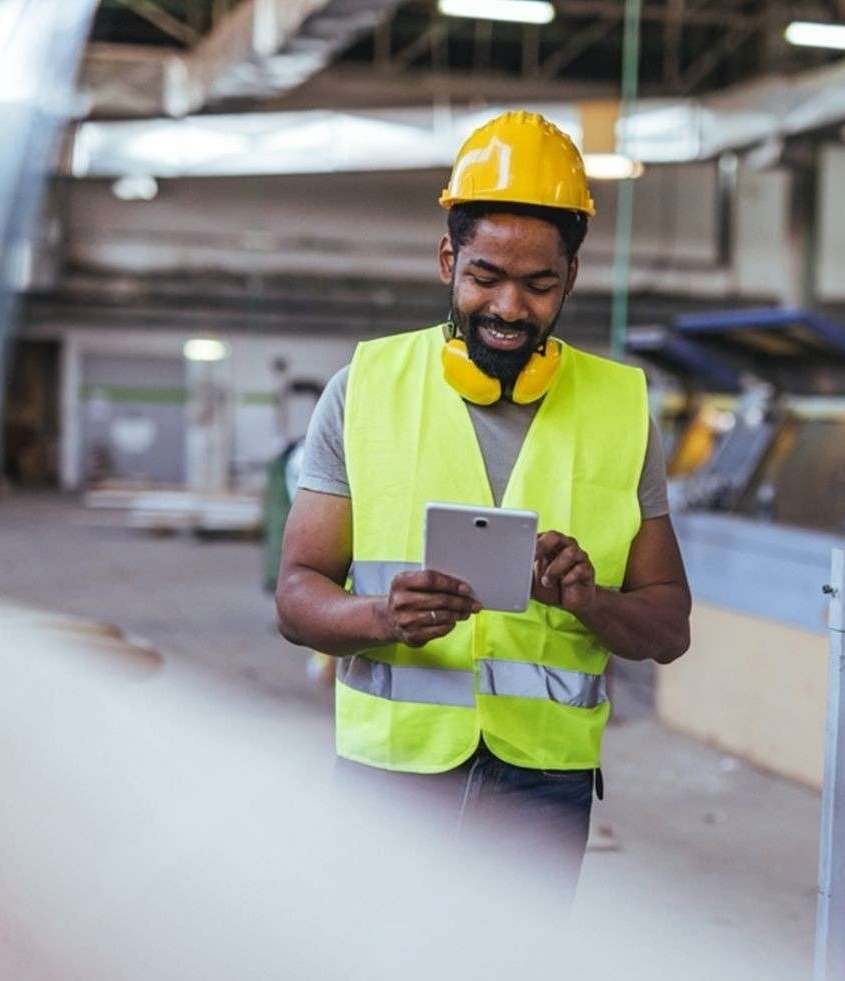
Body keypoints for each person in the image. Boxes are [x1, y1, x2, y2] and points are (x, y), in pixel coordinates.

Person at [274, 110, 691, 903]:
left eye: (538, 285)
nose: (508, 307)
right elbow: (297, 597)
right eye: (485, 276)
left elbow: (669, 627)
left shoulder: (619, 409)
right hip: (391, 774)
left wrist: (591, 599)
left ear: (570, 277)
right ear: (446, 260)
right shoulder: (363, 391)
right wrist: (381, 619)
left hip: (542, 787)